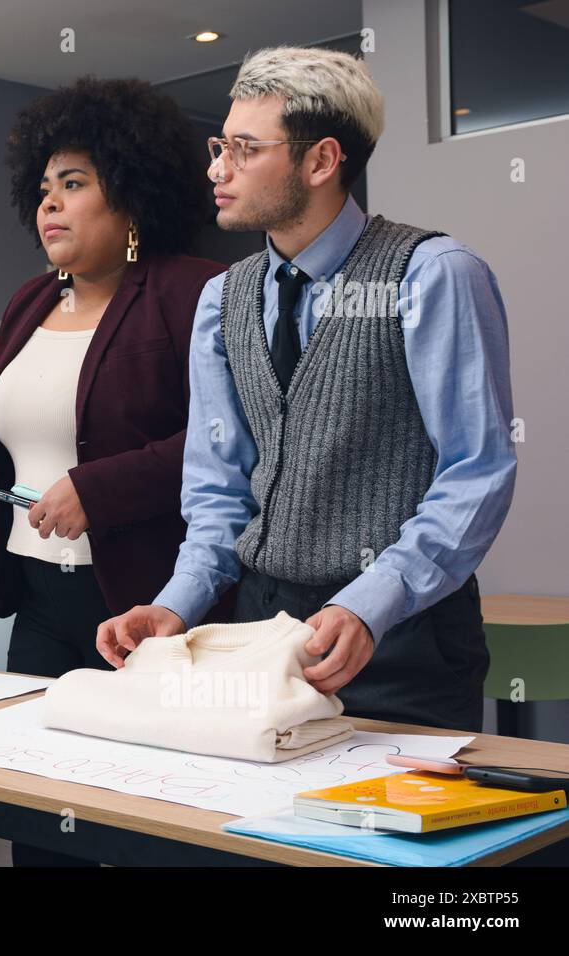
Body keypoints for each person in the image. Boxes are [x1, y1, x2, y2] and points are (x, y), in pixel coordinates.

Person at [97, 47, 517, 734]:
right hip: (260, 629)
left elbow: (477, 471)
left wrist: (369, 602)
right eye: (218, 145)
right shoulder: (220, 299)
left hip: (403, 639)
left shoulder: (435, 275)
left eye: (243, 148)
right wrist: (176, 604)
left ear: (321, 162)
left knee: (382, 837)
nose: (216, 168)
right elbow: (219, 490)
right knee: (250, 836)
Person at [0, 76, 231, 865]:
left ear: (132, 196)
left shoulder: (193, 292)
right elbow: (11, 423)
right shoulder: (31, 301)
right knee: (39, 816)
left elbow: (230, 440)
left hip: (141, 603)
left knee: (139, 823)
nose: (50, 204)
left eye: (75, 185)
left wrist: (100, 489)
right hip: (40, 600)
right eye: (45, 188)